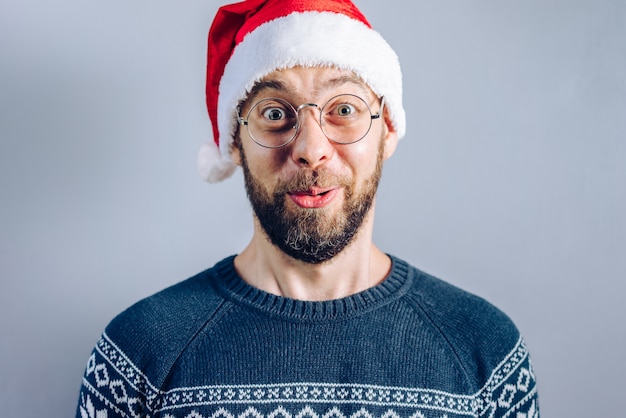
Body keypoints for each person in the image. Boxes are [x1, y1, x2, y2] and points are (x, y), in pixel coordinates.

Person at [75, 0, 539, 417]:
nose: (311, 149)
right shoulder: (138, 355)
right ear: (235, 141)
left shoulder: (485, 353)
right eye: (275, 113)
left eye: (344, 109)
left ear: (389, 129)